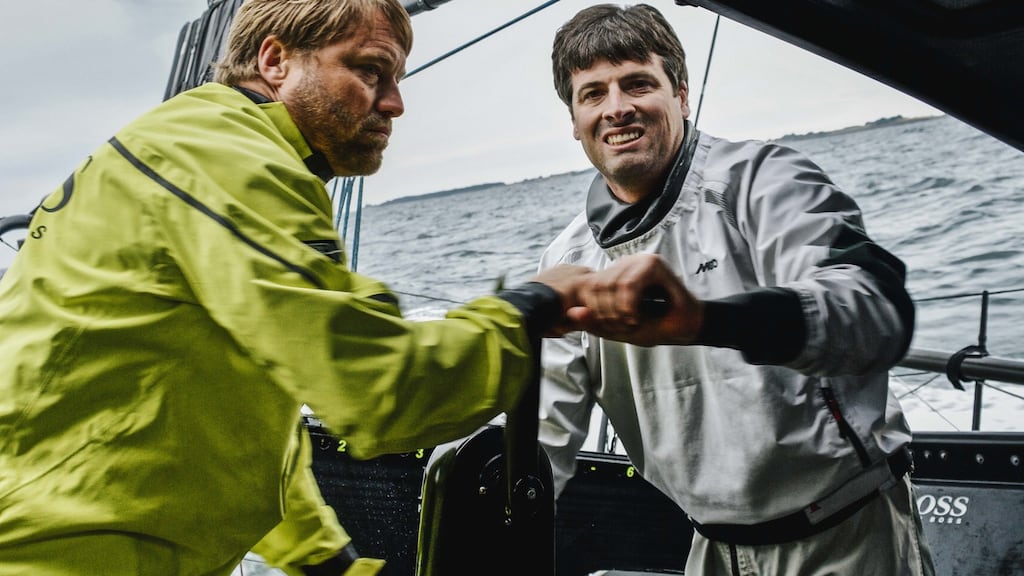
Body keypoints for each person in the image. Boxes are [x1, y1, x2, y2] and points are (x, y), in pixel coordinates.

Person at [0, 1, 633, 575]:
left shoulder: (194, 146)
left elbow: (236, 416)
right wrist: (531, 305)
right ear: (275, 60)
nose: (393, 104)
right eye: (368, 70)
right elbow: (384, 392)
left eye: (397, 80)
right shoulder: (232, 163)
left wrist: (329, 564)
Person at [537, 4, 935, 575]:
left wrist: (704, 319)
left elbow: (875, 314)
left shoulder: (763, 182)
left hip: (847, 535)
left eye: (638, 83)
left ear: (681, 93)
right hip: (712, 549)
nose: (617, 107)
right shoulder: (568, 259)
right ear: (574, 120)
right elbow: (544, 439)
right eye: (592, 93)